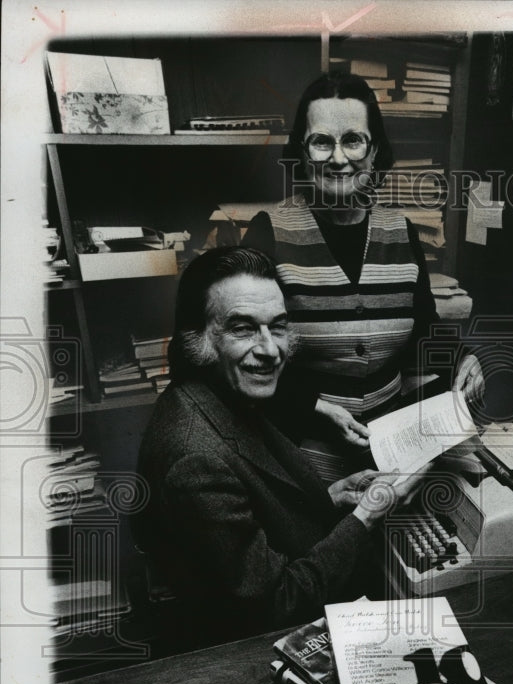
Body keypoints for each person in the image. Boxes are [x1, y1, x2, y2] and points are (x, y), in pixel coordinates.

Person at [134, 246, 426, 648]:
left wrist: (333, 496)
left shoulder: (222, 392)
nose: (270, 349)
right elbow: (276, 602)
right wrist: (368, 516)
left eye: (278, 326)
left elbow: (255, 514)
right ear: (199, 337)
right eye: (243, 328)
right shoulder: (194, 460)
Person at [242, 70, 483, 480]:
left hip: (393, 463)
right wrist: (313, 408)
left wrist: (464, 359)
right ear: (302, 153)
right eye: (321, 142)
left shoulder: (402, 231)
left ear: (374, 152)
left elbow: (423, 334)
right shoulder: (270, 233)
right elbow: (241, 355)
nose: (339, 158)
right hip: (301, 467)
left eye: (353, 140)